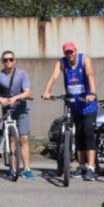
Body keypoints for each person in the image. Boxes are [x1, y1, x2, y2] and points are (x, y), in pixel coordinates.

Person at [42, 41, 98, 181]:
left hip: (87, 104)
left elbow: (90, 74)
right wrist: (47, 92)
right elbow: (53, 76)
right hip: (73, 104)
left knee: (88, 134)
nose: (70, 54)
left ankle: (91, 168)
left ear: (75, 50)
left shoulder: (84, 58)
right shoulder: (61, 62)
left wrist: (92, 93)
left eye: (71, 51)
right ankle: (82, 166)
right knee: (77, 136)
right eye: (67, 52)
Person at [0, 50, 34, 180]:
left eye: (10, 59)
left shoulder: (22, 74)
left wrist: (15, 98)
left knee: (24, 138)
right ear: (2, 61)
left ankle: (26, 168)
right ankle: (13, 168)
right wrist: (0, 99)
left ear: (14, 60)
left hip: (21, 109)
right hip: (7, 110)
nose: (8, 62)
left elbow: (27, 92)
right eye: (5, 60)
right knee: (12, 139)